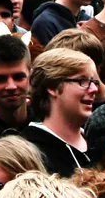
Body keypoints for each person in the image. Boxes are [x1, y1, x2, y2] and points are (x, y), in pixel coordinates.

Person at [21, 47, 97, 177]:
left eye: (93, 81)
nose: (94, 89)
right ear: (52, 87)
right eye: (82, 81)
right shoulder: (29, 151)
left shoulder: (99, 141)